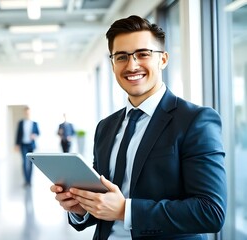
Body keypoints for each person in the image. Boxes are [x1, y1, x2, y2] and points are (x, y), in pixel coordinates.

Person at [50, 15, 227, 239]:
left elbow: (210, 212)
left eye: (143, 54)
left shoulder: (196, 121)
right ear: (113, 64)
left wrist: (126, 210)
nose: (132, 65)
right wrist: (82, 208)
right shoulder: (105, 127)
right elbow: (106, 202)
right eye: (121, 57)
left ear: (163, 59)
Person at [15, 106, 40, 186]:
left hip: (31, 145)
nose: (27, 113)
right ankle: (26, 180)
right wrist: (16, 144)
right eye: (26, 112)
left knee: (31, 162)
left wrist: (34, 135)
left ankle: (30, 180)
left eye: (28, 112)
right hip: (23, 145)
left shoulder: (34, 123)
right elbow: (18, 134)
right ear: (24, 112)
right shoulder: (21, 123)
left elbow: (38, 133)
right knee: (24, 162)